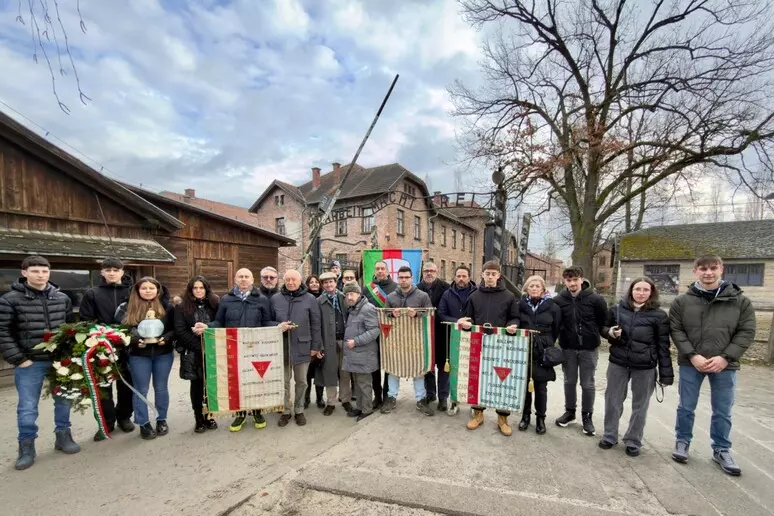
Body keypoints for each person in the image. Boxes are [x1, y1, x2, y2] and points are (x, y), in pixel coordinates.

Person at [669, 255, 755, 476]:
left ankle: (721, 449)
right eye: (703, 269)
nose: (708, 272)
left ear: (721, 269)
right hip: (691, 363)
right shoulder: (682, 301)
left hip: (725, 365)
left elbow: (746, 331)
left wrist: (726, 357)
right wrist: (692, 355)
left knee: (723, 410)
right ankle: (682, 441)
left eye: (713, 268)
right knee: (686, 406)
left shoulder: (740, 301)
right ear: (695, 271)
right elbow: (676, 330)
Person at [0, 255, 79, 470]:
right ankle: (26, 445)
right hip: (29, 362)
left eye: (44, 271)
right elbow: (3, 331)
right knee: (27, 406)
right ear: (24, 272)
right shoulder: (10, 300)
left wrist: (69, 354)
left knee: (63, 400)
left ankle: (63, 436)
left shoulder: (62, 298)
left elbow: (69, 328)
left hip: (59, 361)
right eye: (35, 271)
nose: (41, 275)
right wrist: (18, 358)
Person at [598, 276, 672, 456]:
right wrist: (610, 332)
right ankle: (609, 435)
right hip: (618, 362)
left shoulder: (660, 316)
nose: (641, 293)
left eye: (645, 290)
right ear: (631, 290)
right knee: (613, 400)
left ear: (651, 293)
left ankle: (633, 440)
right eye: (637, 289)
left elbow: (663, 345)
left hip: (645, 366)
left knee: (641, 405)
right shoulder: (617, 309)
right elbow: (603, 328)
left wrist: (665, 374)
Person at [210, 268, 277, 432]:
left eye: (247, 276)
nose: (243, 279)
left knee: (255, 380)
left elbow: (267, 321)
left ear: (252, 279)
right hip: (234, 348)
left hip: (255, 348)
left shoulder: (261, 300)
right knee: (237, 381)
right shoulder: (226, 300)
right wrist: (207, 327)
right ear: (235, 279)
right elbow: (219, 322)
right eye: (240, 276)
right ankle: (239, 414)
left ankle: (257, 412)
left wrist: (279, 326)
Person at [457, 260, 520, 436]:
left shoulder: (508, 296)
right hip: (479, 344)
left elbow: (515, 318)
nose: (490, 277)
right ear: (482, 275)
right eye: (488, 274)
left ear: (499, 276)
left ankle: (502, 417)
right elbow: (467, 317)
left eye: (494, 274)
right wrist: (465, 323)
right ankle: (478, 413)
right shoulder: (474, 296)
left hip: (502, 346)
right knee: (478, 379)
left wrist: (513, 325)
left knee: (502, 380)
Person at [78, 257, 135, 440]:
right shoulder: (92, 293)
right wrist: (100, 334)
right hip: (102, 344)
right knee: (104, 385)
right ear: (102, 272)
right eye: (108, 270)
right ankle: (107, 421)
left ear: (122, 272)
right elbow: (86, 319)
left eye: (115, 270)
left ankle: (124, 417)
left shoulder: (132, 292)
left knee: (127, 385)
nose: (112, 273)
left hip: (127, 344)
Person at [116, 277, 175, 440]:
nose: (148, 291)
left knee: (161, 388)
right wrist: (135, 341)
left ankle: (161, 419)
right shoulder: (127, 308)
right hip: (139, 355)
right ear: (137, 290)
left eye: (151, 288)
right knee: (141, 390)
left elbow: (174, 329)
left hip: (163, 354)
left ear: (158, 290)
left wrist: (166, 339)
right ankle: (143, 423)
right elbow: (121, 331)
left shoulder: (167, 307)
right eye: (144, 288)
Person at [553, 266, 608, 436]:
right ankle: (570, 412)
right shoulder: (559, 300)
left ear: (582, 279)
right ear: (564, 282)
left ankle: (587, 416)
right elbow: (555, 323)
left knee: (588, 384)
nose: (572, 283)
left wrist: (607, 333)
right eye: (568, 280)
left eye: (575, 280)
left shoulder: (596, 299)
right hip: (568, 348)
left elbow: (603, 321)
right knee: (569, 381)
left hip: (588, 349)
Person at [271, 269, 323, 427]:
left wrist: (316, 346)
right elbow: (267, 320)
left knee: (301, 381)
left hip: (303, 346)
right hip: (281, 347)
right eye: (288, 280)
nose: (291, 282)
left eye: (294, 280)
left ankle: (299, 410)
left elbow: (316, 323)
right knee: (284, 381)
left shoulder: (309, 299)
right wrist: (277, 325)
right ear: (284, 280)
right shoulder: (275, 299)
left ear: (300, 281)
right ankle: (286, 411)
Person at [382, 266, 435, 416]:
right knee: (393, 367)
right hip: (395, 339)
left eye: (406, 277)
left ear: (412, 278)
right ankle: (391, 397)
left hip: (416, 339)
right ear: (398, 279)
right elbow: (384, 316)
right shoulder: (391, 297)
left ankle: (420, 399)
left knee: (418, 368)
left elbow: (430, 315)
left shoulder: (422, 296)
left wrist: (417, 314)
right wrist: (392, 314)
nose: (404, 280)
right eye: (401, 277)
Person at [174, 276, 220, 433]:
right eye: (195, 288)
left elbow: (220, 324)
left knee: (211, 385)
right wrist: (199, 347)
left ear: (206, 289)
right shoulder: (182, 307)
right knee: (197, 386)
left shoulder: (213, 305)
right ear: (190, 290)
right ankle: (199, 418)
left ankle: (210, 415)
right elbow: (180, 331)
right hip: (193, 353)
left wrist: (210, 345)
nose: (199, 290)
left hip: (213, 351)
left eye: (202, 287)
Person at [517, 275, 562, 435]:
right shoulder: (521, 305)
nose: (534, 288)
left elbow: (556, 329)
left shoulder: (553, 307)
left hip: (542, 351)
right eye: (531, 286)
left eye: (537, 286)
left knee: (541, 387)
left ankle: (540, 418)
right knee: (525, 387)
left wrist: (546, 342)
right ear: (526, 289)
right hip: (525, 350)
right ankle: (525, 416)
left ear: (543, 288)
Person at [438, 265, 477, 415]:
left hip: (472, 338)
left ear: (469, 277)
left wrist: (471, 323)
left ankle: (474, 405)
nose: (461, 279)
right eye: (458, 276)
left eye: (464, 276)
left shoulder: (477, 293)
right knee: (452, 371)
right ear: (454, 277)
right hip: (452, 337)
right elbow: (441, 314)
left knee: (472, 371)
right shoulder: (447, 294)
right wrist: (457, 321)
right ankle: (454, 401)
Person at [342, 282, 381, 421]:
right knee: (357, 382)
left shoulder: (367, 308)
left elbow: (375, 330)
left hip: (364, 354)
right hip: (355, 354)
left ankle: (367, 409)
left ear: (359, 294)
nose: (349, 297)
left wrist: (356, 341)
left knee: (364, 383)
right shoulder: (353, 308)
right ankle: (359, 407)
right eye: (347, 294)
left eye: (352, 294)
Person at [364, 260, 397, 410]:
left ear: (388, 271)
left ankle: (387, 396)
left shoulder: (396, 288)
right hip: (372, 334)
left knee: (390, 366)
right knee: (374, 367)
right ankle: (377, 396)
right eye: (377, 269)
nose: (380, 271)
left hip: (391, 333)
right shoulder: (367, 289)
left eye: (383, 268)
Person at [417, 261, 450, 411]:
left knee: (443, 367)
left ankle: (443, 397)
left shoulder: (446, 288)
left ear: (437, 272)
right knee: (428, 366)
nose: (429, 273)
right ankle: (430, 394)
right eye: (426, 271)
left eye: (432, 271)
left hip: (442, 333)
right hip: (423, 333)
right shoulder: (416, 288)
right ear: (422, 273)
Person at [317, 272, 349, 416]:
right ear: (322, 285)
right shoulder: (319, 301)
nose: (329, 285)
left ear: (336, 283)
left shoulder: (344, 298)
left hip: (345, 339)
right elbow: (316, 325)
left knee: (345, 372)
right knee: (330, 372)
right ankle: (331, 402)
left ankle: (346, 399)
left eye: (331, 282)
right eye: (325, 283)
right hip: (328, 341)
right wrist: (319, 345)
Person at [303, 274, 324, 409]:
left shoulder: (323, 298)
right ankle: (306, 399)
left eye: (316, 282)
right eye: (312, 282)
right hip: (308, 338)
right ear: (308, 284)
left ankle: (320, 398)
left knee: (319, 372)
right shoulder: (305, 298)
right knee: (306, 373)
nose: (315, 284)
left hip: (321, 337)